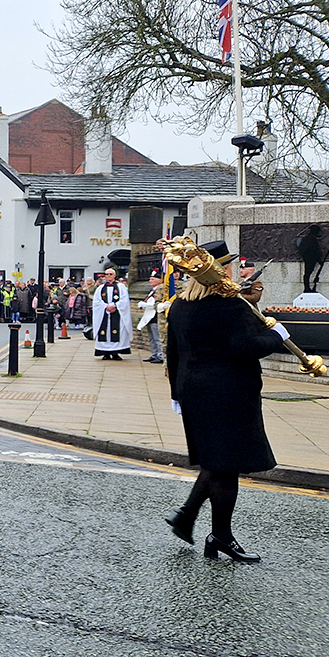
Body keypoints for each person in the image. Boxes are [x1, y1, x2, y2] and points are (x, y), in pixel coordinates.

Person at [164, 240, 284, 562]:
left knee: (216, 462)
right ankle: (220, 536)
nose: (232, 270)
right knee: (226, 467)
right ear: (217, 269)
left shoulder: (179, 305)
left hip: (194, 391)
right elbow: (245, 345)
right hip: (228, 393)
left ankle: (189, 518)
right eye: (228, 265)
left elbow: (173, 354)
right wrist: (278, 336)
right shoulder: (228, 306)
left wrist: (177, 394)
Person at [92, 267, 132, 360]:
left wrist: (115, 305)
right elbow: (96, 301)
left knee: (117, 331)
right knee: (104, 332)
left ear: (114, 275)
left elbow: (125, 300)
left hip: (117, 314)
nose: (108, 276)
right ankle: (105, 353)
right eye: (107, 274)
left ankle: (115, 353)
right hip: (104, 314)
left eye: (111, 274)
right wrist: (105, 306)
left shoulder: (121, 287)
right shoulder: (100, 288)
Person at [138, 270, 167, 364]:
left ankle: (160, 355)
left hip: (156, 316)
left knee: (157, 337)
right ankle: (154, 354)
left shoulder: (160, 289)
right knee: (151, 338)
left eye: (152, 279)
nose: (150, 281)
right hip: (149, 317)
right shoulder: (153, 290)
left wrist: (145, 304)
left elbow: (155, 303)